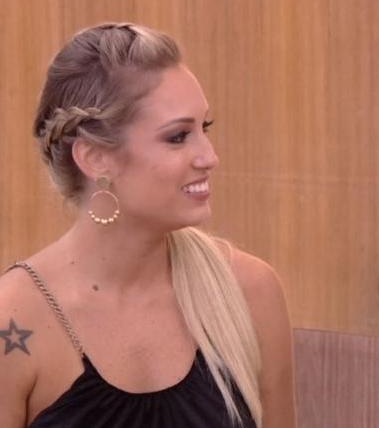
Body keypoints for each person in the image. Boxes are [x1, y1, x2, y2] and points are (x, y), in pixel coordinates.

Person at [0, 23, 296, 428]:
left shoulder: (250, 291)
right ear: (96, 159)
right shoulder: (14, 321)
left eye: (204, 129)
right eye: (178, 137)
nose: (209, 157)